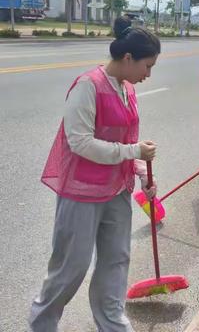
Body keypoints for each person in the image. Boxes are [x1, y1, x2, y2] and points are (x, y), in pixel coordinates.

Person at [29, 17, 161, 332]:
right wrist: (134, 153)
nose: (149, 74)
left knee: (116, 261)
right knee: (70, 267)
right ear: (128, 59)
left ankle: (113, 323)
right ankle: (42, 324)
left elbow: (127, 141)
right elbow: (80, 143)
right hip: (82, 193)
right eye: (147, 66)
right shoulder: (87, 86)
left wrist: (141, 171)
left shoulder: (127, 88)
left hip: (117, 191)